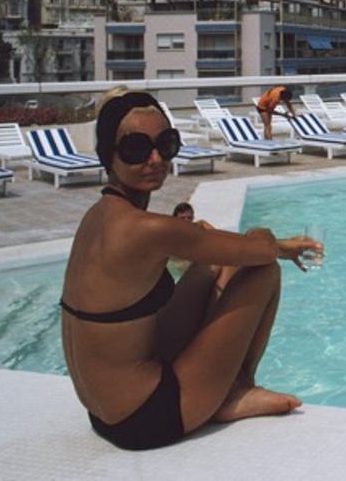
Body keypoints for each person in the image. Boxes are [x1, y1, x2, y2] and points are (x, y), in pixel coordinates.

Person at [60, 90, 321, 451]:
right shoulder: (148, 229)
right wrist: (274, 242)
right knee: (263, 270)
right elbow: (258, 250)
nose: (154, 159)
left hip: (102, 410)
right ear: (109, 154)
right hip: (147, 417)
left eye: (165, 144)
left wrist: (251, 246)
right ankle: (236, 389)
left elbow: (212, 250)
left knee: (215, 263)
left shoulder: (97, 217)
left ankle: (225, 387)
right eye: (136, 148)